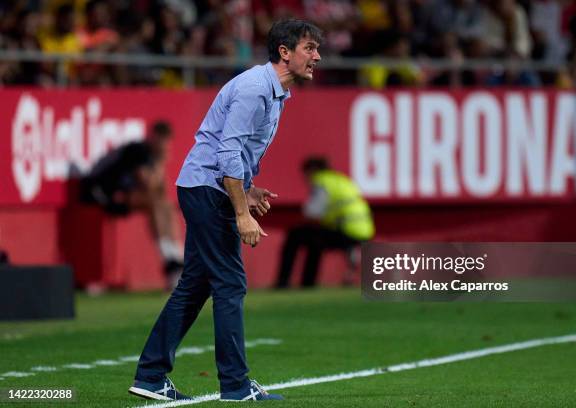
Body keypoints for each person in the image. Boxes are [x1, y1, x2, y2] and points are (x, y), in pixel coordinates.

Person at [128, 19, 322, 401]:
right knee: (230, 284)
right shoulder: (254, 89)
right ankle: (234, 385)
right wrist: (242, 213)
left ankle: (151, 374)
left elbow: (234, 153)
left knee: (195, 286)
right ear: (284, 52)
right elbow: (227, 152)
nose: (317, 56)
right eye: (309, 47)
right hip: (206, 190)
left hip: (205, 186)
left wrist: (247, 190)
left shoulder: (276, 92)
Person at [80, 120, 184, 289]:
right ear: (153, 138)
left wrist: (159, 166)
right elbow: (148, 184)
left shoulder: (151, 156)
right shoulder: (138, 151)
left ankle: (177, 259)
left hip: (121, 194)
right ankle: (171, 262)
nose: (164, 146)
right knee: (155, 203)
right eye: (161, 141)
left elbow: (161, 191)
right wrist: (160, 163)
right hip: (98, 193)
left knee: (165, 205)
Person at [276, 156, 375, 288]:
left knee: (296, 235)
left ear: (312, 170)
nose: (305, 179)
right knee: (314, 239)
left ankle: (285, 282)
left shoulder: (321, 181)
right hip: (365, 231)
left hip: (346, 230)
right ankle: (307, 283)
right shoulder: (341, 179)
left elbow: (312, 212)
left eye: (306, 174)